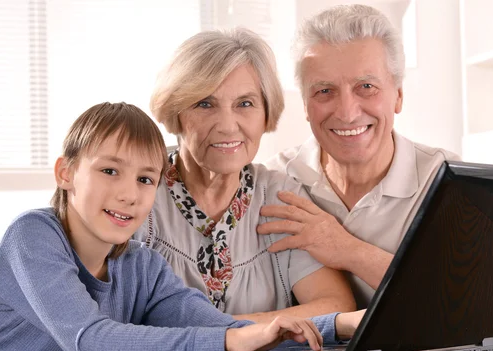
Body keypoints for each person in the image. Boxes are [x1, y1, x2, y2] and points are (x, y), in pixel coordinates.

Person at [0, 102, 362, 351]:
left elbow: (221, 329)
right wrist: (230, 343)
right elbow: (91, 342)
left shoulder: (140, 265)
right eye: (109, 171)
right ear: (65, 173)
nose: (129, 193)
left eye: (145, 179)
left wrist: (339, 326)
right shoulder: (33, 236)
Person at [136, 28, 355, 322]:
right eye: (204, 103)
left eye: (245, 104)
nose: (227, 126)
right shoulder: (137, 189)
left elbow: (334, 304)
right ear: (175, 113)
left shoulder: (280, 196)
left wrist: (235, 331)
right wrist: (250, 332)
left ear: (266, 113)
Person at [261, 4, 460, 309]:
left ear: (398, 95)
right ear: (304, 105)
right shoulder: (274, 181)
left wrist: (347, 249)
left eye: (366, 87)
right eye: (324, 91)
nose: (347, 113)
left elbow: (462, 303)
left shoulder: (448, 180)